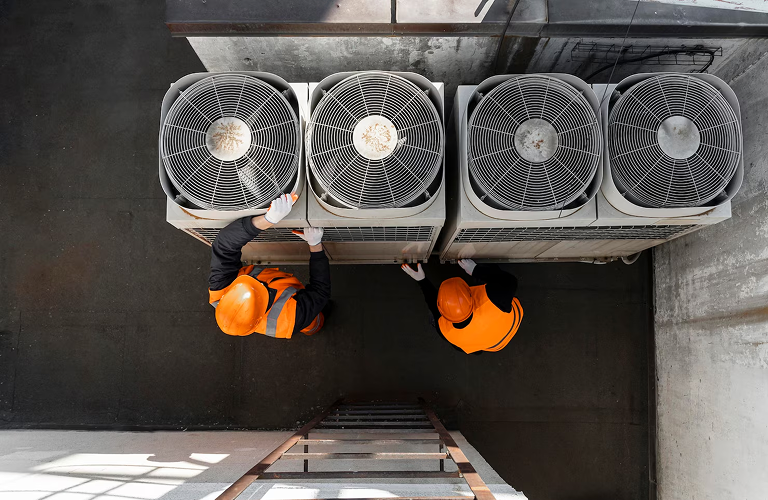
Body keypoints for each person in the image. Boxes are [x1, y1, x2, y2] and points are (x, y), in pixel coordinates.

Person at [208, 193, 330, 338]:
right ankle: (316, 326)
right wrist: (315, 246)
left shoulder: (221, 289)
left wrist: (267, 220)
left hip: (287, 294)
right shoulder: (290, 320)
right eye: (259, 286)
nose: (257, 282)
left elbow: (224, 245)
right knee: (313, 320)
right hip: (301, 316)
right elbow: (320, 291)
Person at [401, 259, 522, 354]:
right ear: (470, 297)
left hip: (492, 345)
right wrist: (476, 270)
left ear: (441, 310)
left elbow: (432, 303)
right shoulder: (493, 299)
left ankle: (477, 350)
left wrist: (422, 280)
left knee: (467, 348)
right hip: (509, 325)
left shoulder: (447, 331)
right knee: (494, 278)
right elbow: (509, 281)